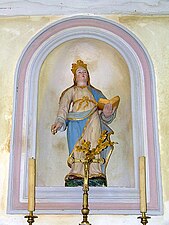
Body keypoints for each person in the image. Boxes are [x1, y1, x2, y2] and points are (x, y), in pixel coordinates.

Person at [51, 60, 119, 187]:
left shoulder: (95, 92)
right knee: (77, 145)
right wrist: (60, 121)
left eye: (85, 72)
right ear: (75, 77)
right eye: (80, 72)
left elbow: (106, 108)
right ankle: (77, 171)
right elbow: (63, 108)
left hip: (93, 120)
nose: (83, 74)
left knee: (94, 144)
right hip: (75, 121)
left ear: (88, 76)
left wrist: (107, 112)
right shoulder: (71, 91)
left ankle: (95, 171)